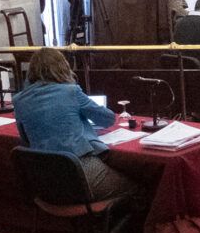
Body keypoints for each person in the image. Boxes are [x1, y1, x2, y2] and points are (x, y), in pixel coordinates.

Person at [12, 48, 145, 202]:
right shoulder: (71, 91)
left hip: (44, 183)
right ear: (63, 67)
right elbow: (107, 119)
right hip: (80, 172)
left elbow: (25, 139)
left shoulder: (19, 100)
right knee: (140, 185)